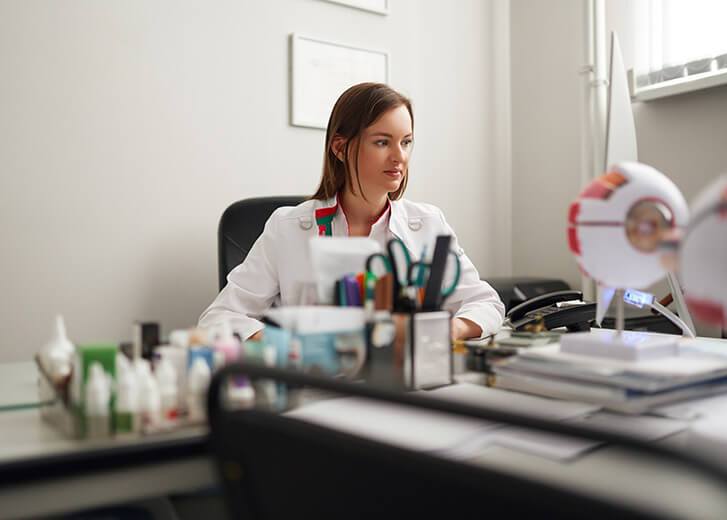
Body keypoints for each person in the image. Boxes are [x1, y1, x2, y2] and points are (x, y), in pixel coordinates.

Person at [199, 82, 504, 341]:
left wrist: (448, 329)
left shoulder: (427, 224)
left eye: (406, 142)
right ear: (340, 148)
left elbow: (485, 303)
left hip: (407, 386)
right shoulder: (288, 227)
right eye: (382, 142)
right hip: (319, 385)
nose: (399, 156)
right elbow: (220, 316)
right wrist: (283, 343)